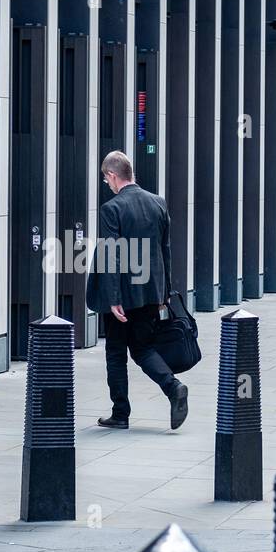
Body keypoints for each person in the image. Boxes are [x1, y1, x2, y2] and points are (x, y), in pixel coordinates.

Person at [87, 150, 188, 431]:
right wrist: (164, 291)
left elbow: (111, 255)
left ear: (112, 175)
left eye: (106, 179)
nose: (107, 184)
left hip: (122, 294)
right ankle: (174, 387)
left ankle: (120, 413)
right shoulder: (158, 203)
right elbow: (164, 250)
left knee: (116, 352)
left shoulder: (112, 208)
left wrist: (113, 299)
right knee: (143, 348)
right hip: (151, 292)